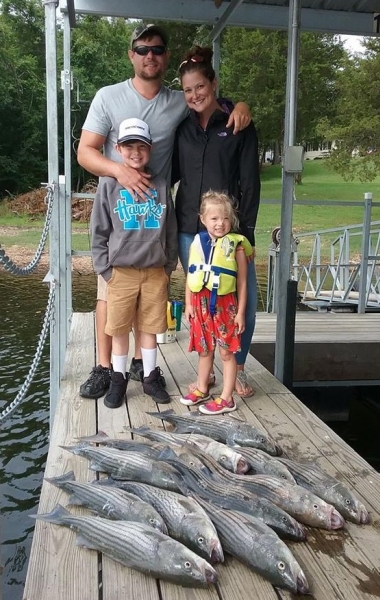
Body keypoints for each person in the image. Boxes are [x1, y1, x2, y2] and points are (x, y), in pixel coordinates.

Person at [77, 23, 252, 400]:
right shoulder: (108, 96)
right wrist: (119, 170)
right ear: (131, 55)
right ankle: (106, 369)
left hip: (156, 218)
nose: (149, 55)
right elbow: (85, 151)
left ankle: (148, 367)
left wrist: (240, 105)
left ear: (166, 56)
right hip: (121, 220)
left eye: (156, 49)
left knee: (152, 306)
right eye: (141, 49)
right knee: (110, 298)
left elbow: (207, 100)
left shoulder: (177, 100)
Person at [172, 45, 261, 398]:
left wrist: (247, 235)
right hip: (189, 233)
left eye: (200, 87)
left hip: (231, 233)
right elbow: (171, 174)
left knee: (243, 302)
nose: (194, 95)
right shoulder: (182, 129)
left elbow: (250, 183)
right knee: (202, 303)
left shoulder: (238, 123)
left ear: (213, 83)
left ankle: (235, 368)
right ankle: (207, 371)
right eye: (188, 90)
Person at [90, 117, 177, 408]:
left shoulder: (162, 184)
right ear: (118, 148)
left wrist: (168, 267)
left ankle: (150, 378)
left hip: (154, 271)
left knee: (150, 327)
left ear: (150, 150)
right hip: (121, 273)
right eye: (129, 147)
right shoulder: (108, 184)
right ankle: (118, 379)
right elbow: (98, 230)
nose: (135, 152)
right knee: (118, 329)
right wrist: (106, 270)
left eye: (141, 146)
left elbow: (171, 230)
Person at [180, 192, 252, 414]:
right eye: (214, 219)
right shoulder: (198, 243)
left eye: (225, 219)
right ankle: (202, 388)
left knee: (226, 352)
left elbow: (241, 284)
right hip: (200, 303)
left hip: (225, 305)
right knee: (204, 349)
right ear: (203, 219)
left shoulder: (237, 247)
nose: (220, 223)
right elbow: (191, 276)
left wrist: (240, 313)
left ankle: (227, 398)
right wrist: (188, 304)